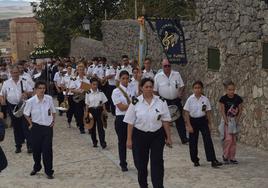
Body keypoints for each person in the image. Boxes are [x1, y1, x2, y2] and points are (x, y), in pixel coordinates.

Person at [124, 78, 172, 188]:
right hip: (140, 136)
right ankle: (143, 185)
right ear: (141, 88)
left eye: (151, 86)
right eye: (146, 87)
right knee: (141, 164)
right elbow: (130, 122)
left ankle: (158, 185)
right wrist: (129, 139)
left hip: (157, 135)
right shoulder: (135, 102)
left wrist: (168, 137)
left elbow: (165, 120)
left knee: (157, 162)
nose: (149, 89)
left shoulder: (161, 101)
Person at [183, 81, 222, 168]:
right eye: (195, 88)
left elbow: (208, 112)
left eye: (199, 88)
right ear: (193, 89)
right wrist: (188, 125)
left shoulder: (205, 99)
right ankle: (195, 160)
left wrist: (210, 123)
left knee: (208, 139)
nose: (197, 89)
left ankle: (212, 159)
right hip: (193, 121)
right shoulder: (190, 99)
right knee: (193, 142)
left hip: (203, 121)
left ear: (202, 89)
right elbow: (186, 113)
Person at [23, 81, 56, 179]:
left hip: (47, 128)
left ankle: (49, 171)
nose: (42, 90)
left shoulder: (49, 99)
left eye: (43, 88)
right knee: (36, 150)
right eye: (40, 88)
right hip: (36, 128)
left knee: (47, 150)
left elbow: (53, 111)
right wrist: (31, 123)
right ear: (36, 89)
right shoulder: (31, 101)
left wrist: (53, 121)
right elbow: (26, 114)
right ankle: (37, 166)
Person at [0, 64, 33, 153]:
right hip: (12, 106)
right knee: (16, 127)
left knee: (26, 126)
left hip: (23, 106)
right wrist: (2, 100)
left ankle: (30, 146)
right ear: (10, 73)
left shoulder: (24, 81)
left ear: (19, 72)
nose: (14, 74)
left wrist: (26, 93)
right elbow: (2, 94)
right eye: (13, 72)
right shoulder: (6, 83)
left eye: (16, 72)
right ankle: (18, 145)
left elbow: (31, 92)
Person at [154, 59, 188, 144]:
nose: (167, 67)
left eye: (169, 65)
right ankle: (165, 138)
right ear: (162, 66)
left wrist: (180, 93)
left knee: (179, 119)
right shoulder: (158, 77)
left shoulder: (176, 74)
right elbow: (155, 90)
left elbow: (182, 86)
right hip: (164, 101)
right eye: (165, 66)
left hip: (176, 100)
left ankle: (184, 138)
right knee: (164, 120)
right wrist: (159, 100)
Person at [112, 70, 134, 172]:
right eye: (123, 78)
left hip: (132, 118)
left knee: (136, 142)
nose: (125, 80)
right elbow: (121, 107)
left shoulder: (132, 88)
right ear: (120, 79)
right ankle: (123, 163)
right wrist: (131, 105)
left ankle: (138, 163)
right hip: (121, 118)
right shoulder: (116, 91)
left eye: (127, 78)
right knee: (122, 142)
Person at [219, 80, 243, 164]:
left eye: (233, 89)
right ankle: (225, 155)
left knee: (233, 140)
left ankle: (232, 157)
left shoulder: (238, 98)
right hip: (226, 119)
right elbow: (222, 111)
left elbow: (240, 110)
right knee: (228, 139)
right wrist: (226, 121)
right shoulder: (223, 99)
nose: (231, 91)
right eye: (229, 89)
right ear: (226, 90)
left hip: (234, 120)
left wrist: (236, 121)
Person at [85, 78, 108, 148]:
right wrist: (86, 113)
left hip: (99, 110)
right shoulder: (88, 93)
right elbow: (87, 104)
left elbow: (103, 103)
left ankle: (103, 142)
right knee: (92, 127)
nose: (95, 86)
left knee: (101, 127)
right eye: (93, 84)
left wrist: (105, 111)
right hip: (91, 111)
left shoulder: (101, 92)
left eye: (96, 84)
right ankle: (94, 141)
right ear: (91, 85)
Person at [69, 63, 90, 134]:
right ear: (77, 70)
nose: (81, 71)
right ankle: (81, 127)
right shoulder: (74, 79)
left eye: (82, 70)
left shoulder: (87, 79)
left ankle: (89, 126)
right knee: (79, 114)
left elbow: (89, 88)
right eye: (80, 70)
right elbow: (71, 89)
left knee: (87, 113)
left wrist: (86, 89)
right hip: (78, 98)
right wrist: (78, 90)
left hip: (86, 97)